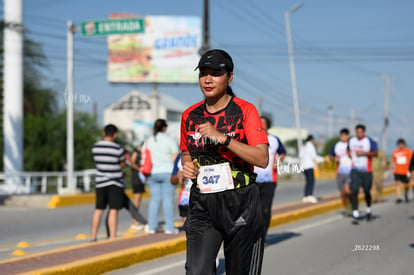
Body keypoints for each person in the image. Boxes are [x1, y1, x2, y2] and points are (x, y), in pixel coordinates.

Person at [181, 49, 269, 275]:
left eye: (216, 73)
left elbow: (262, 158)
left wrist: (223, 138)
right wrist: (187, 164)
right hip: (203, 203)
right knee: (197, 271)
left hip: (241, 203)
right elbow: (186, 152)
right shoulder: (189, 116)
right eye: (203, 73)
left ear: (229, 77)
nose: (208, 79)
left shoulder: (245, 110)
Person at [143, 119, 179, 234]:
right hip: (167, 172)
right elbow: (175, 158)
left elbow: (144, 155)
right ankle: (169, 227)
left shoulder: (148, 140)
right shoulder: (170, 140)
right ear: (164, 128)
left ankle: (152, 227)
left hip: (152, 173)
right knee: (168, 200)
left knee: (155, 200)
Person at [91, 124, 126, 241]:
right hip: (115, 182)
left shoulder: (95, 147)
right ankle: (112, 237)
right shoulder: (118, 148)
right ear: (115, 135)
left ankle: (93, 236)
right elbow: (122, 164)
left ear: (104, 133)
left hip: (100, 181)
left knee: (98, 209)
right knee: (113, 210)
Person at [254, 116, 286, 239]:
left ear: (268, 125)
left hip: (269, 180)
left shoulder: (274, 139)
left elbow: (282, 153)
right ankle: (253, 234)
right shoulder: (250, 138)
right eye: (259, 123)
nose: (261, 126)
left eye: (263, 123)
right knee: (252, 211)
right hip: (252, 180)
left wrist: (277, 163)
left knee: (265, 209)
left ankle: (262, 236)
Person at [348, 124, 378, 225]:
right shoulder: (352, 141)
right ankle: (355, 213)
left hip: (366, 170)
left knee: (366, 191)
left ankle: (368, 209)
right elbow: (348, 150)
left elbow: (375, 153)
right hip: (355, 170)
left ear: (364, 132)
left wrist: (364, 153)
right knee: (354, 190)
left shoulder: (369, 141)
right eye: (357, 132)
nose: (359, 134)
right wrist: (349, 156)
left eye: (361, 132)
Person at [329, 128, 352, 216]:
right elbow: (331, 155)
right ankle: (346, 208)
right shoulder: (336, 145)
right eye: (342, 135)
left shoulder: (351, 145)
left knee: (348, 191)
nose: (343, 137)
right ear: (340, 136)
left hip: (350, 171)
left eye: (345, 135)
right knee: (342, 192)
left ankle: (351, 205)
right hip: (340, 171)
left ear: (348, 136)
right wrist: (334, 158)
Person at [299, 134, 324, 203]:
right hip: (309, 166)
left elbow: (300, 156)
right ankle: (310, 195)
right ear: (312, 140)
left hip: (303, 167)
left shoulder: (303, 146)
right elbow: (314, 157)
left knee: (307, 181)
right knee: (311, 181)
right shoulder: (310, 145)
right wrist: (323, 159)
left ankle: (305, 196)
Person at [129, 143, 147, 230]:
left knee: (138, 199)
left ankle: (136, 220)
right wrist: (140, 169)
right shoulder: (135, 152)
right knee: (137, 200)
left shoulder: (142, 153)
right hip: (136, 178)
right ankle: (134, 221)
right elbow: (132, 163)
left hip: (140, 178)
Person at [171, 152, 192, 223]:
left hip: (204, 195)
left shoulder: (205, 152)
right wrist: (178, 176)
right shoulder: (180, 156)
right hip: (186, 197)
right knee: (188, 228)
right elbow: (172, 180)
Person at [390, 138, 413, 203]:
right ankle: (399, 197)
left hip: (406, 171)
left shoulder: (408, 151)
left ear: (404, 144)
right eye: (399, 144)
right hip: (397, 171)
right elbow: (392, 161)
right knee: (397, 184)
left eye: (402, 144)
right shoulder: (395, 152)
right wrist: (391, 170)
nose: (400, 145)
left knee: (406, 185)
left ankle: (406, 195)